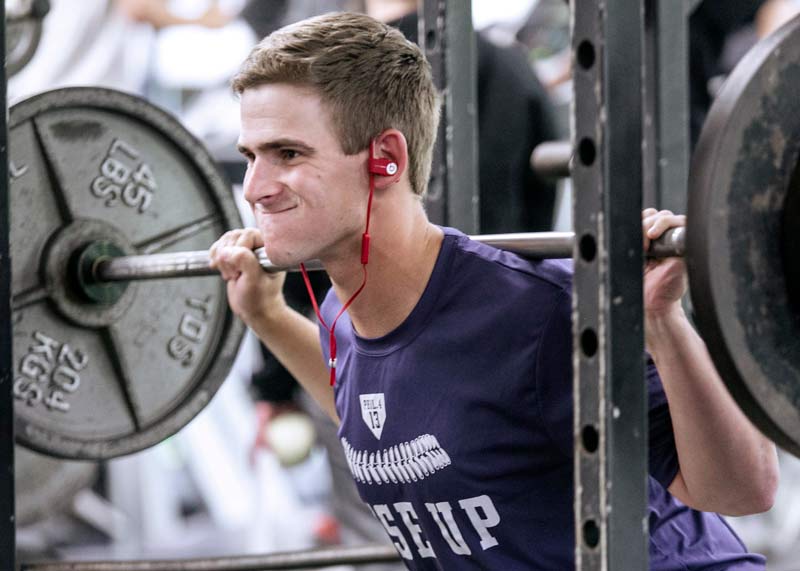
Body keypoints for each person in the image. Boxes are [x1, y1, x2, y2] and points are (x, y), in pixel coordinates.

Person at [209, 12, 779, 569]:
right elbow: (401, 416)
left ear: (386, 159)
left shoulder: (540, 315)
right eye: (250, 157)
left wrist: (663, 323)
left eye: (288, 153)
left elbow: (745, 489)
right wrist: (268, 316)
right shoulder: (343, 311)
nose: (255, 187)